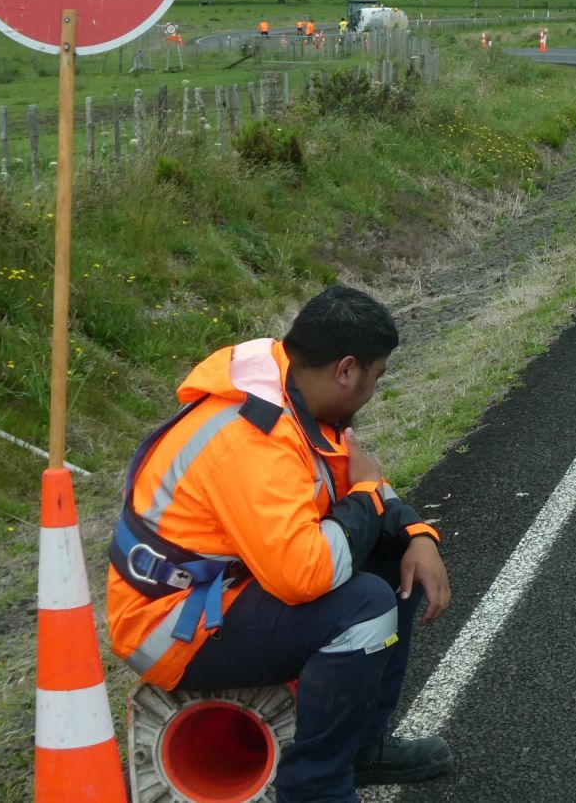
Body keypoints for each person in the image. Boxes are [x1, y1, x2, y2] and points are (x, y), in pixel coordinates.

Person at [108, 285, 453, 803]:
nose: (372, 393)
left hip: (219, 589)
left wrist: (416, 533)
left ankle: (362, 747)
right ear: (346, 369)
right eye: (375, 379)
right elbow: (305, 574)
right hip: (169, 625)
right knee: (364, 607)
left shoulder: (290, 384)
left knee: (390, 559)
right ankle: (315, 786)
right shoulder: (253, 438)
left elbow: (351, 478)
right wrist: (365, 498)